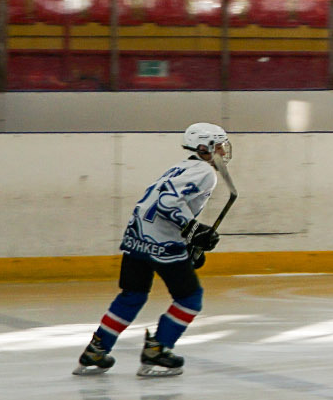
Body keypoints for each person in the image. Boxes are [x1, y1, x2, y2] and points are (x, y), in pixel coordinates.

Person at [73, 123, 232, 378]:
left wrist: (190, 239)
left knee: (132, 295)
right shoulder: (204, 171)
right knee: (190, 300)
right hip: (161, 244)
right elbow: (166, 203)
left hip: (136, 236)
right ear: (204, 147)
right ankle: (157, 350)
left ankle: (96, 349)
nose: (223, 152)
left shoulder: (180, 166)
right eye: (220, 146)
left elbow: (160, 202)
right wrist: (192, 230)